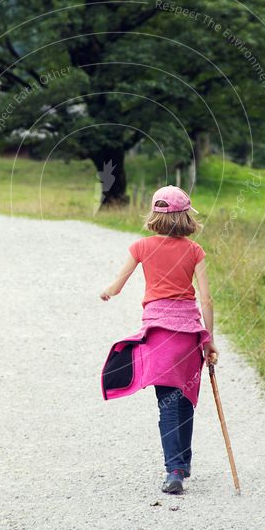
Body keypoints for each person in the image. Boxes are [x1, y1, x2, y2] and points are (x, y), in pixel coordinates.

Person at [100, 185, 219, 494]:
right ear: (185, 217)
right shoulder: (195, 251)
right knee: (185, 400)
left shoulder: (141, 247)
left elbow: (118, 282)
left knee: (166, 404)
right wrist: (209, 341)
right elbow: (206, 300)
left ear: (154, 214)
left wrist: (108, 291)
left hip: (158, 336)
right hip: (189, 336)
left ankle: (175, 470)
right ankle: (183, 461)